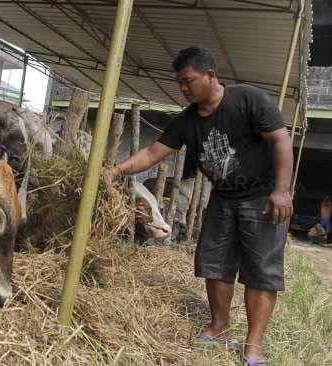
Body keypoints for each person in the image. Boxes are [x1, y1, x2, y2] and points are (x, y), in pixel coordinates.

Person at [106, 46, 293, 365]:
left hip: (262, 196)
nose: (183, 87)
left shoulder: (248, 99)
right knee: (215, 264)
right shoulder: (188, 120)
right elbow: (152, 153)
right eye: (180, 82)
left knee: (261, 272)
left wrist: (282, 189)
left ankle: (254, 345)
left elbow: (280, 140)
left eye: (188, 80)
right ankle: (220, 326)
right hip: (222, 196)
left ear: (210, 75)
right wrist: (117, 170)